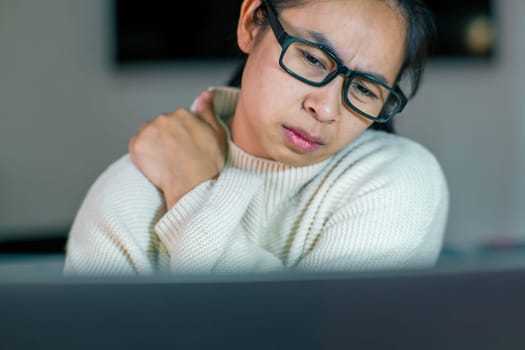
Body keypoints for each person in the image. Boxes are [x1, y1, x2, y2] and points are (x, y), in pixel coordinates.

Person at [64, 0, 449, 275]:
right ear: (252, 22)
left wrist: (193, 193)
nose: (327, 109)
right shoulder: (131, 189)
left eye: (365, 89)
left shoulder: (396, 180)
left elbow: (323, 334)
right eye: (313, 58)